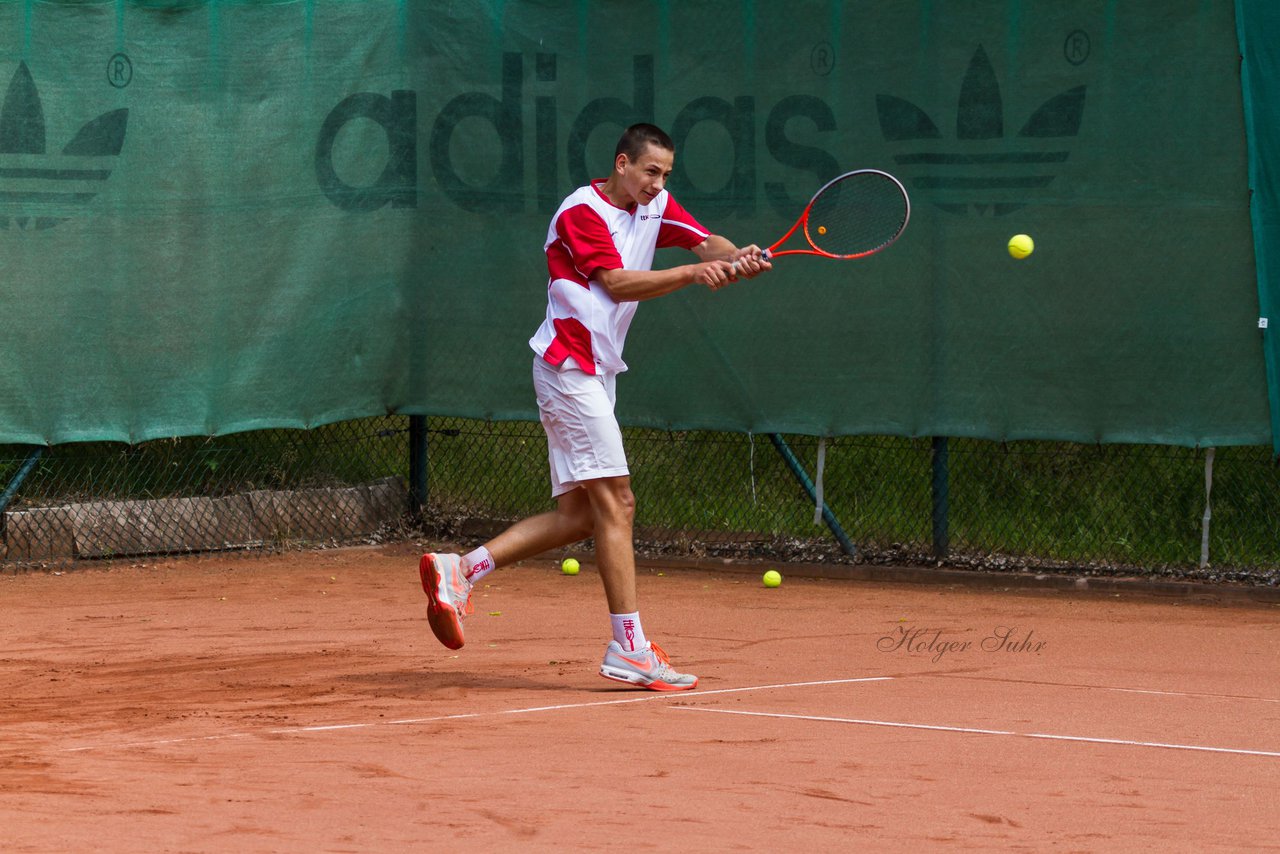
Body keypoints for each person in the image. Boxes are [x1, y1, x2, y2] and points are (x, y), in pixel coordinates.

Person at [419, 123, 771, 691]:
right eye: (651, 172)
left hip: (594, 375)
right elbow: (617, 283)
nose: (659, 184)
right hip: (568, 369)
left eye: (666, 175)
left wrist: (739, 256)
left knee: (580, 517)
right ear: (622, 164)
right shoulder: (581, 211)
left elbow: (707, 244)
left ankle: (461, 569)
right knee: (619, 502)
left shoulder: (654, 207)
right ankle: (629, 647)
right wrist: (691, 274)